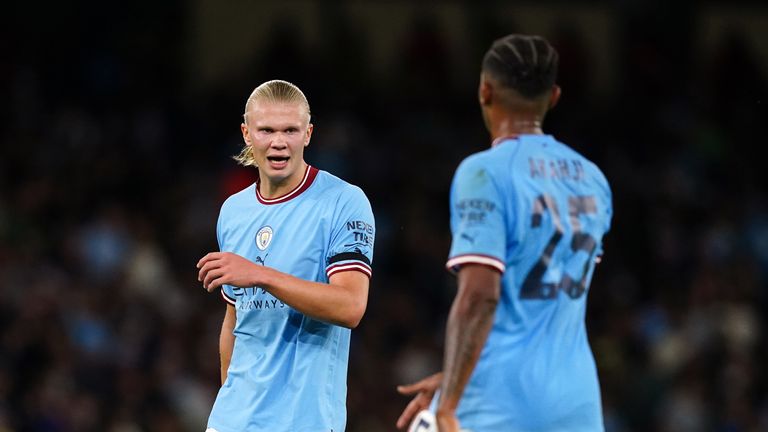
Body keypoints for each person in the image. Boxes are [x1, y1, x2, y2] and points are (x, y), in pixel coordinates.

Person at [396, 34, 613, 432]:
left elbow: (481, 296)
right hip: (578, 404)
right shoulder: (593, 179)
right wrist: (459, 375)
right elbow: (546, 303)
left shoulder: (483, 173)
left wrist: (452, 402)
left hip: (502, 406)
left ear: (484, 90)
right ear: (554, 97)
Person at [197, 79, 375, 432]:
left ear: (308, 134)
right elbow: (234, 319)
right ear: (247, 134)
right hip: (233, 420)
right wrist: (229, 403)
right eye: (267, 130)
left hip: (303, 420)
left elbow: (351, 306)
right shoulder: (233, 211)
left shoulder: (344, 202)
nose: (279, 141)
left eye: (290, 130)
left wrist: (261, 275)